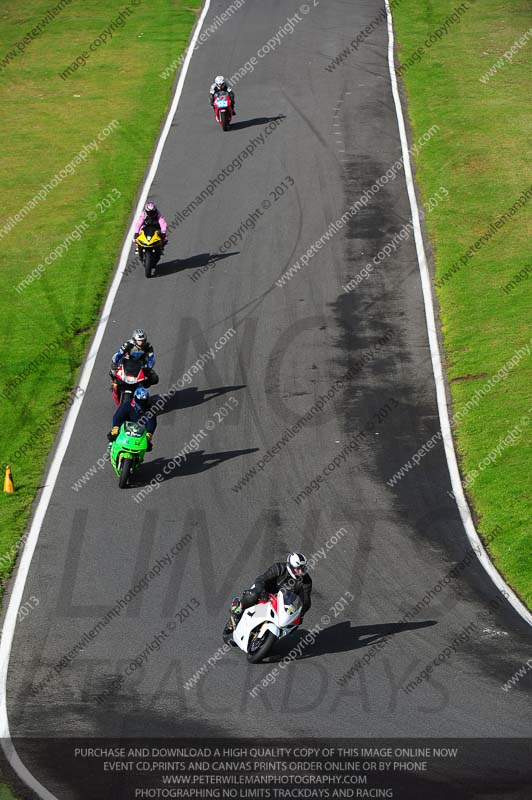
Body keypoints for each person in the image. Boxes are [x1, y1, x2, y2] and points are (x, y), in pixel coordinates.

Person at [227, 553, 312, 633]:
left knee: (293, 625)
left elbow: (306, 600)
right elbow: (261, 579)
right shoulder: (279, 568)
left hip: (281, 604)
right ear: (291, 566)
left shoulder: (306, 581)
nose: (300, 572)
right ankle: (236, 614)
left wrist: (300, 614)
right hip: (265, 593)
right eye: (298, 569)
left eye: (303, 568)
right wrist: (263, 591)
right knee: (253, 595)